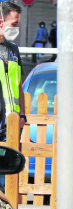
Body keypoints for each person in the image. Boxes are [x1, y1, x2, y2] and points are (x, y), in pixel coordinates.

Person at [0, 1, 26, 193]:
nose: (16, 28)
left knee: (6, 182)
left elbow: (18, 86)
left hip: (10, 125)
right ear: (1, 22)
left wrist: (22, 115)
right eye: (14, 23)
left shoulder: (13, 50)